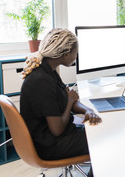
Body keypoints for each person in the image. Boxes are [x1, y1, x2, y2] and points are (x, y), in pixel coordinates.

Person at [20, 28, 101, 177]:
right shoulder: (42, 81)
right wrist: (70, 101)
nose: (76, 57)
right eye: (75, 53)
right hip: (49, 145)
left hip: (52, 137)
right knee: (102, 139)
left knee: (99, 130)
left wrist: (87, 110)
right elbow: (57, 128)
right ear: (66, 53)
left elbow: (68, 98)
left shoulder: (48, 70)